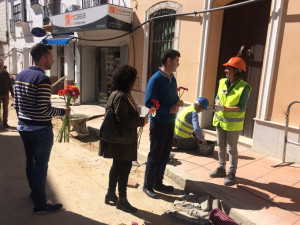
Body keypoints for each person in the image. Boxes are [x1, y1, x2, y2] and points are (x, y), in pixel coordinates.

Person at [14, 43, 70, 213]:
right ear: (43, 58)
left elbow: (16, 104)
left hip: (24, 127)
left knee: (31, 163)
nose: (53, 60)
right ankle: (41, 203)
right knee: (40, 166)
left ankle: (35, 194)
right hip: (40, 130)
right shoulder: (42, 79)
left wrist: (25, 119)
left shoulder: (20, 75)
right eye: (51, 57)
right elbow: (44, 108)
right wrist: (63, 111)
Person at [99, 65, 148, 213]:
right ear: (129, 80)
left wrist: (143, 113)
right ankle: (122, 200)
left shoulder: (119, 93)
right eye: (134, 79)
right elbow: (123, 120)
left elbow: (128, 113)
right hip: (122, 140)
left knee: (116, 166)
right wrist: (142, 121)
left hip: (119, 140)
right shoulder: (120, 96)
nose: (135, 82)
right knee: (124, 168)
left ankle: (110, 194)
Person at [143, 49, 184, 198]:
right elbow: (149, 104)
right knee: (155, 155)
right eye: (176, 61)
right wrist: (169, 109)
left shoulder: (172, 79)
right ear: (168, 60)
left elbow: (169, 97)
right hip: (158, 123)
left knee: (165, 155)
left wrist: (177, 102)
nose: (178, 64)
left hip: (169, 123)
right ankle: (147, 186)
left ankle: (157, 183)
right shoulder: (156, 79)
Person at [209, 56, 251, 186]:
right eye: (226, 68)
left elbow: (241, 107)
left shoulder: (244, 87)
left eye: (229, 68)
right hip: (220, 121)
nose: (226, 70)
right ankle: (221, 168)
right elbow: (217, 97)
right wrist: (217, 102)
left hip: (233, 124)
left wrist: (226, 108)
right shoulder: (222, 82)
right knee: (221, 146)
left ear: (237, 70)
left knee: (232, 149)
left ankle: (231, 173)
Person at [0, 60, 14, 128]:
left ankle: (5, 122)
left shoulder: (6, 74)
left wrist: (12, 93)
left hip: (5, 93)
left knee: (5, 109)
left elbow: (9, 83)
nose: (0, 66)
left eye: (1, 65)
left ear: (3, 66)